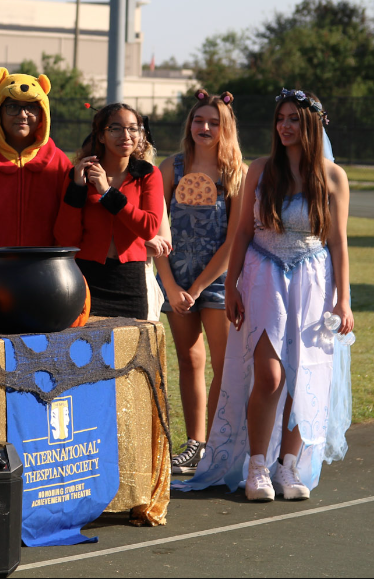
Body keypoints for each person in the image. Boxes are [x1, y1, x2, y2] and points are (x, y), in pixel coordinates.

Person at [180, 89, 353, 503]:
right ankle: (256, 463)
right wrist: (235, 286)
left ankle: (288, 465)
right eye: (280, 118)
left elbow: (339, 243)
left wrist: (342, 300)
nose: (285, 126)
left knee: (304, 373)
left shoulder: (333, 176)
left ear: (311, 124)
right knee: (271, 374)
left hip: (313, 280)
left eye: (293, 118)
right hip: (263, 276)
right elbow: (240, 234)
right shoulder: (260, 169)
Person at [154, 90, 246, 476]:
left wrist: (198, 287)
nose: (204, 128)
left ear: (225, 128)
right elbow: (155, 227)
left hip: (218, 282)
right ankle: (195, 444)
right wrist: (172, 286)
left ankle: (218, 442)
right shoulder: (171, 167)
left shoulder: (236, 175)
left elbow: (234, 239)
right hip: (176, 281)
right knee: (190, 361)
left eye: (213, 122)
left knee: (224, 365)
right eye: (198, 121)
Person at [55, 104, 164, 318]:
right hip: (87, 277)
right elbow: (66, 238)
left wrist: (107, 192)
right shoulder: (79, 175)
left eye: (133, 128)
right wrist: (77, 188)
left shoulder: (148, 174)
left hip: (130, 279)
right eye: (115, 128)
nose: (126, 135)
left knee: (132, 349)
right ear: (101, 136)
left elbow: (149, 228)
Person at [0, 68, 72, 248]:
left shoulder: (59, 162)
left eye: (31, 107)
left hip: (43, 270)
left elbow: (69, 223)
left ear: (43, 112)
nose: (22, 115)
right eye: (13, 107)